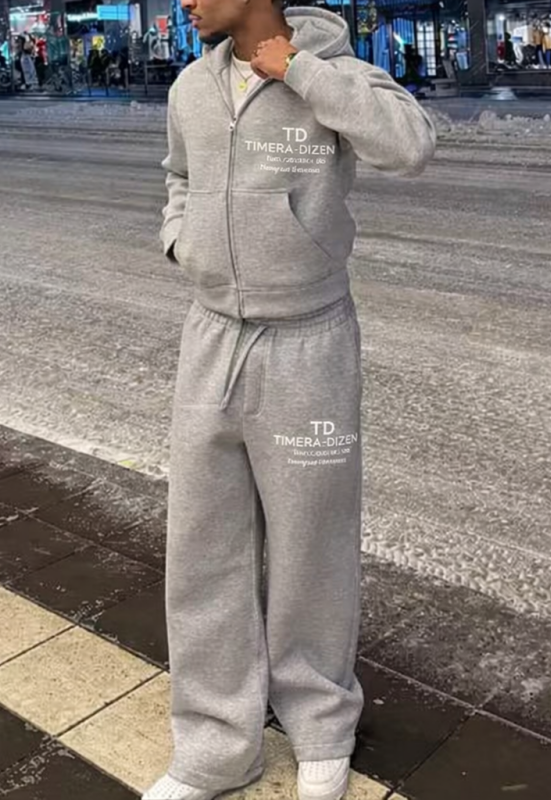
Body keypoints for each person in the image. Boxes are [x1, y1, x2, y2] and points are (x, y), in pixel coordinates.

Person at [152, 1, 436, 799]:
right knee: (203, 547)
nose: (185, 2)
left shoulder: (337, 72)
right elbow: (178, 176)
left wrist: (301, 72)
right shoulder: (191, 87)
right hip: (211, 337)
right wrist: (181, 239)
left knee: (313, 542)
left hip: (309, 344)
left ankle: (320, 724)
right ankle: (215, 746)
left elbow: (410, 145)